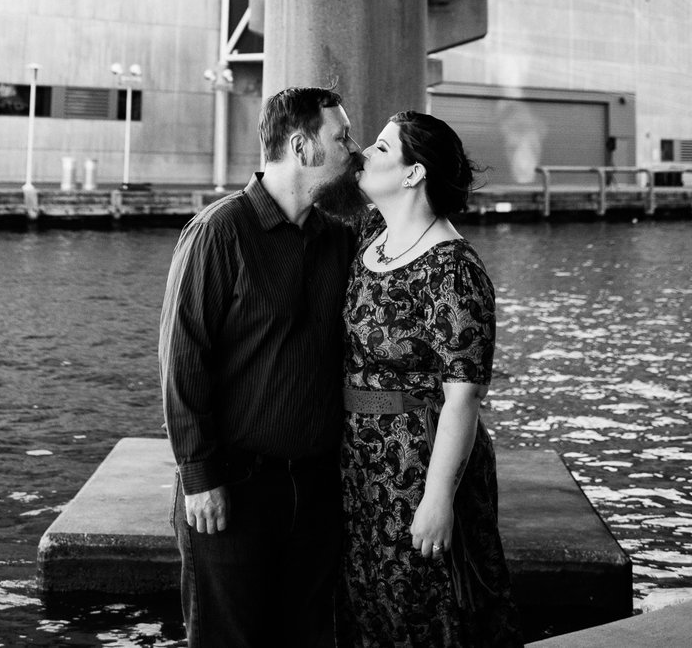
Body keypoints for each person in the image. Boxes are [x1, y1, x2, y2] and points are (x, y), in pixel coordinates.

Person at [158, 85, 362, 648]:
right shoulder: (219, 231)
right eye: (341, 137)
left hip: (318, 489)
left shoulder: (337, 240)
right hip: (232, 491)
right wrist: (200, 477)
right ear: (302, 147)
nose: (353, 148)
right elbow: (183, 361)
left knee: (310, 637)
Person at [337, 110, 524, 648]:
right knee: (368, 601)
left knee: (429, 601)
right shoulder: (372, 233)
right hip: (359, 458)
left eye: (379, 148)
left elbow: (463, 396)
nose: (363, 155)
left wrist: (438, 497)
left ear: (413, 173)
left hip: (418, 460)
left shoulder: (453, 269)